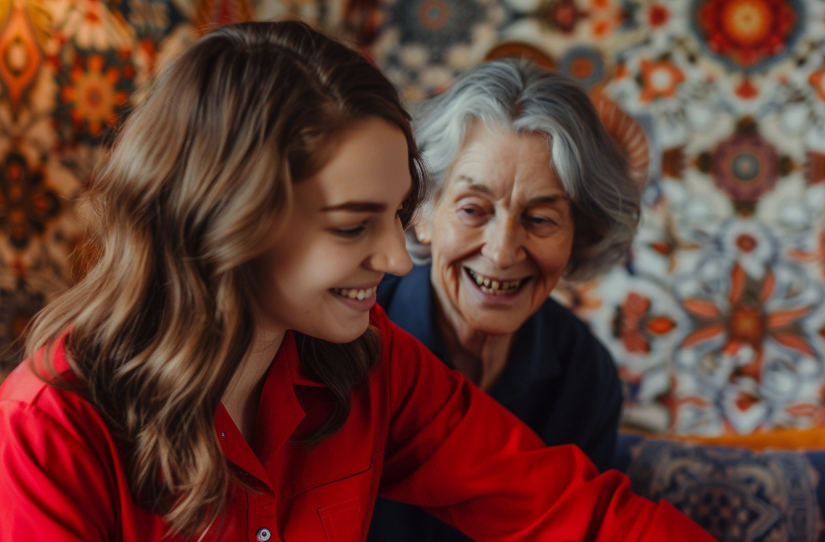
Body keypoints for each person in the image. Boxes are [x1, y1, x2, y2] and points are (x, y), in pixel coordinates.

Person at [0, 21, 715, 542]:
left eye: (396, 213)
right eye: (352, 225)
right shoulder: (50, 429)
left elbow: (574, 514)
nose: (398, 258)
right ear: (227, 220)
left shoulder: (372, 361)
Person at [368, 60, 638, 542]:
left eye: (540, 219)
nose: (501, 251)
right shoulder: (351, 333)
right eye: (473, 209)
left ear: (579, 235)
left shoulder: (585, 375)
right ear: (421, 212)